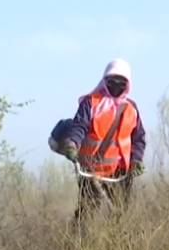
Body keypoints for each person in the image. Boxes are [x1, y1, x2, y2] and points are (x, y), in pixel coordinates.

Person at [59, 58, 147, 229]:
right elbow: (79, 127)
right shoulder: (91, 102)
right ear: (105, 80)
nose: (115, 86)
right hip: (91, 170)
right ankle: (77, 244)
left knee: (122, 214)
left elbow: (139, 138)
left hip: (121, 174)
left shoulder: (131, 108)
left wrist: (136, 160)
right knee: (88, 211)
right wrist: (72, 145)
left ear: (127, 84)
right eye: (111, 81)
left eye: (121, 83)